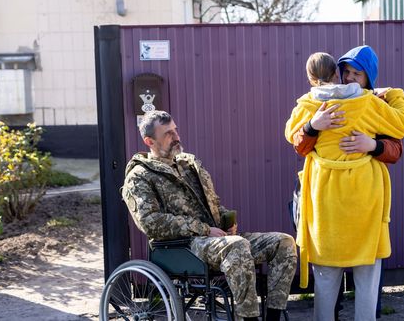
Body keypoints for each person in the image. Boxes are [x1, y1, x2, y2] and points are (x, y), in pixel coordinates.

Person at [122, 110, 297, 321]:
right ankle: (250, 318)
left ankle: (274, 317)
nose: (177, 137)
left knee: (284, 242)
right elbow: (150, 222)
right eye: (168, 134)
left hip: (216, 240)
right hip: (183, 246)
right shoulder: (139, 176)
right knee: (237, 246)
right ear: (149, 141)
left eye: (175, 130)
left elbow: (213, 205)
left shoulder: (189, 165)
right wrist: (205, 229)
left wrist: (226, 221)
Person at [285, 49, 404, 321]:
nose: (351, 78)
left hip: (328, 201)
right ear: (337, 73)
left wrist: (373, 145)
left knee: (334, 278)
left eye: (358, 73)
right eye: (347, 73)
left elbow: (396, 147)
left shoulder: (311, 102)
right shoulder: (369, 104)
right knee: (358, 277)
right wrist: (312, 127)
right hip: (359, 201)